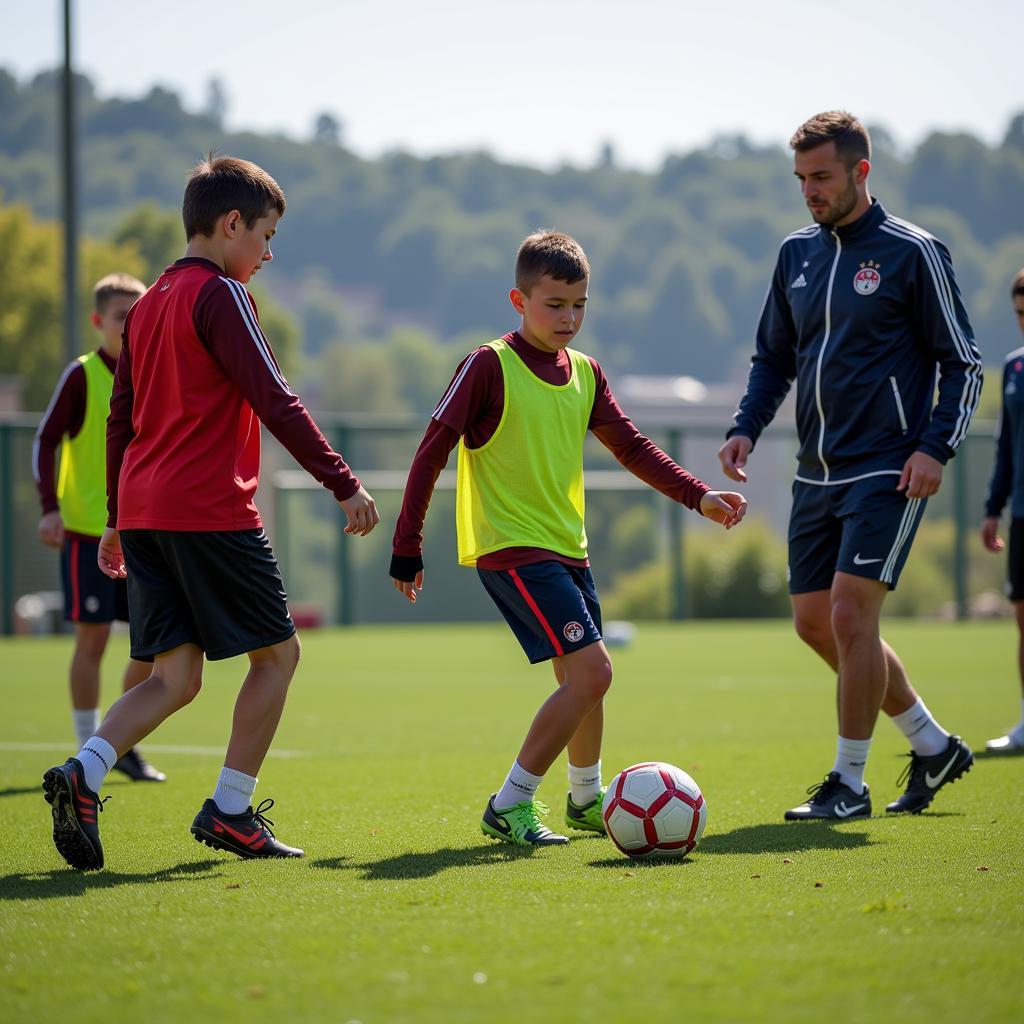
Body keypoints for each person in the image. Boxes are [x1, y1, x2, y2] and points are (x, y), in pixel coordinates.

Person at [42, 155, 379, 871]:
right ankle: (230, 810)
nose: (268, 251)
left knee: (175, 676)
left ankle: (85, 772)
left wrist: (113, 517)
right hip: (208, 508)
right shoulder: (221, 296)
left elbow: (120, 421)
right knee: (279, 655)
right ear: (230, 225)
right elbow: (274, 395)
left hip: (144, 511)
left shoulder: (153, 300)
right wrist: (342, 482)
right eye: (266, 234)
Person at [390, 230, 747, 846]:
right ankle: (511, 803)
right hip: (513, 549)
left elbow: (631, 447)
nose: (569, 317)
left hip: (568, 549)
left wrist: (700, 496)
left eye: (579, 304)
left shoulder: (585, 372)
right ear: (518, 300)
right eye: (554, 304)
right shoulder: (486, 364)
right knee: (593, 674)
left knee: (583, 678)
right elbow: (431, 450)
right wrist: (407, 543)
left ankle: (586, 799)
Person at [719, 111, 983, 820]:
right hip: (816, 471)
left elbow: (964, 362)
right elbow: (774, 358)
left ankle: (849, 784)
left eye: (822, 176)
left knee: (849, 613)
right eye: (801, 178)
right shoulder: (795, 254)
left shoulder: (912, 252)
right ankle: (932, 743)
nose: (809, 190)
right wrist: (746, 427)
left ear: (861, 172)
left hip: (888, 468)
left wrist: (934, 447)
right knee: (815, 623)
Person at [33, 273, 166, 784]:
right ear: (98, 322)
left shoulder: (155, 369)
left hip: (145, 531)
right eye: (120, 316)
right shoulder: (82, 375)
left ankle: (115, 743)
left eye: (137, 314)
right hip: (89, 531)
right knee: (91, 642)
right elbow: (44, 441)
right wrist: (50, 507)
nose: (130, 324)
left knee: (152, 649)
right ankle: (87, 749)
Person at [980, 267, 1024, 753]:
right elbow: (1006, 448)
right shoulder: (1014, 368)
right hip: (1023, 516)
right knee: (1023, 619)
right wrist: (993, 508)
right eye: (1018, 314)